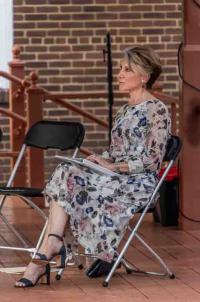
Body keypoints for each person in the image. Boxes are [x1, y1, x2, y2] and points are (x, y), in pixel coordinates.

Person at [15, 45, 171, 287]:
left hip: (137, 183)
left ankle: (45, 254)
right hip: (113, 176)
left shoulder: (157, 110)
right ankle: (55, 242)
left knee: (71, 180)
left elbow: (153, 161)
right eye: (119, 68)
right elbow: (116, 151)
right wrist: (99, 160)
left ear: (144, 76)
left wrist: (113, 167)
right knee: (68, 171)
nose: (119, 74)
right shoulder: (124, 110)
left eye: (126, 69)